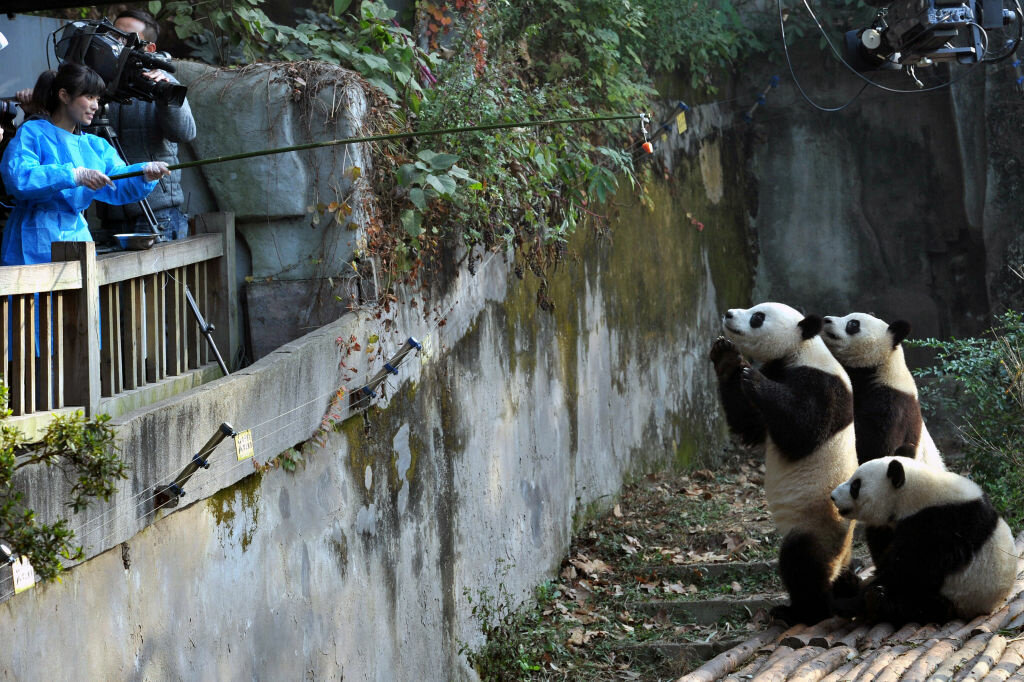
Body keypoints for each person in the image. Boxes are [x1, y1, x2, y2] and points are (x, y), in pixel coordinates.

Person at [0, 62, 170, 266]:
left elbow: (115, 181)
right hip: (32, 235)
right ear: (64, 96)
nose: (96, 105)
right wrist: (72, 175)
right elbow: (19, 177)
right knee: (36, 297)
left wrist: (143, 173)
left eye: (97, 99)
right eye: (89, 97)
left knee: (80, 295)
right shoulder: (32, 132)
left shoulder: (94, 145)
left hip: (77, 235)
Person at [97, 9, 196, 243]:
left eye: (127, 37)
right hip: (110, 212)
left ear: (149, 47)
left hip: (157, 212)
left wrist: (165, 97)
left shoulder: (160, 82)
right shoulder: (98, 83)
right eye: (114, 34)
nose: (117, 41)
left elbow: (186, 133)